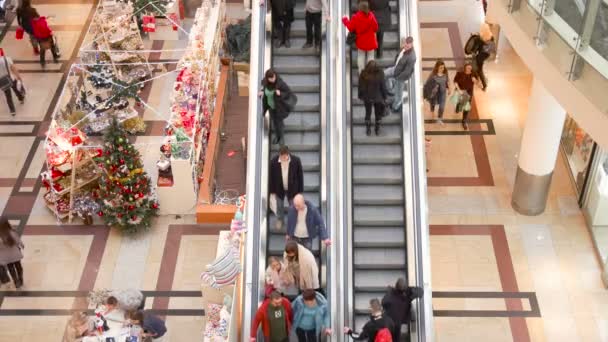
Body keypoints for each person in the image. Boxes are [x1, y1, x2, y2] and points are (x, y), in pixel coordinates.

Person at [269, 145, 303, 230]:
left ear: (288, 154)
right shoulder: (273, 162)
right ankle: (280, 220)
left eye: (285, 156)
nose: (283, 158)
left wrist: (300, 191)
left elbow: (300, 176)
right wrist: (272, 190)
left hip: (292, 188)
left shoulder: (296, 160)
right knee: (279, 205)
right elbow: (271, 177)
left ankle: (293, 222)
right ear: (279, 155)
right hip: (279, 188)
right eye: (281, 156)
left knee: (293, 206)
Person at [259, 68, 296, 146]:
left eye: (274, 77)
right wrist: (262, 91)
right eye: (271, 78)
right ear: (267, 78)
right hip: (270, 106)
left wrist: (280, 94)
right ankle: (277, 135)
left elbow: (288, 92)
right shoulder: (265, 82)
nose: (273, 79)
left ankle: (281, 137)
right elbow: (263, 85)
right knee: (275, 122)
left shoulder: (280, 83)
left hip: (279, 108)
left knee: (278, 123)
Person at [342, 1, 378, 72]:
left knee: (361, 56)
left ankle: (361, 73)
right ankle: (370, 71)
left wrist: (345, 20)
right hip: (371, 41)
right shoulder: (371, 16)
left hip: (361, 41)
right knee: (370, 57)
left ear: (359, 8)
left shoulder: (356, 17)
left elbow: (350, 27)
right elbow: (375, 27)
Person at [384, 36, 416, 113]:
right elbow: (398, 57)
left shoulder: (412, 57)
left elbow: (407, 72)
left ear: (411, 45)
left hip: (400, 77)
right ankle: (390, 89)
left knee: (398, 94)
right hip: (396, 69)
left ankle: (395, 107)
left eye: (408, 45)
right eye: (405, 44)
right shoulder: (403, 48)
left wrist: (397, 78)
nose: (405, 46)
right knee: (384, 74)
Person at [358, 60, 388, 136]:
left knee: (368, 113)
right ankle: (377, 129)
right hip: (378, 97)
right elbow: (383, 86)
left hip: (367, 97)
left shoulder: (363, 74)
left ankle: (368, 129)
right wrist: (385, 96)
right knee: (378, 114)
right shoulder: (380, 73)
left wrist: (361, 95)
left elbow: (361, 87)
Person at [453, 62, 479, 130]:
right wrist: (459, 90)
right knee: (460, 102)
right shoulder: (460, 73)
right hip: (460, 91)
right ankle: (458, 107)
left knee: (467, 107)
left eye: (470, 68)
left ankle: (464, 121)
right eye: (468, 68)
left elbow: (478, 83)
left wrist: (475, 80)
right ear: (465, 68)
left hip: (469, 93)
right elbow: (455, 82)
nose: (469, 70)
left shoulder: (473, 74)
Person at [424, 59, 450, 124]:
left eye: (443, 67)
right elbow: (427, 83)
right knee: (433, 103)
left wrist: (449, 88)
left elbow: (447, 80)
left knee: (442, 107)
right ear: (437, 67)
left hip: (443, 93)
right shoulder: (433, 75)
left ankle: (439, 118)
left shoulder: (445, 73)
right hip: (435, 94)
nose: (442, 69)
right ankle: (432, 111)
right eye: (441, 68)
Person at [0, 217, 24, 289]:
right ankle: (20, 279)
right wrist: (22, 245)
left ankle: (16, 281)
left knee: (11, 269)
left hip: (6, 257)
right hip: (15, 254)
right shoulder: (11, 232)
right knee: (19, 267)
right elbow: (18, 241)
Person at [0, 49, 25, 116]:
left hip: (2, 81)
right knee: (16, 90)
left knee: (8, 96)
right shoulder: (7, 59)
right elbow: (13, 68)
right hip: (11, 78)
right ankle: (21, 99)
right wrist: (18, 76)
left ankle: (12, 110)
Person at [474, 23, 495, 91]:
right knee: (479, 67)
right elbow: (491, 47)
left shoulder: (480, 38)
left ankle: (484, 85)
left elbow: (475, 48)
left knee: (479, 69)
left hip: (480, 56)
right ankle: (478, 77)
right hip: (486, 54)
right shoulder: (491, 36)